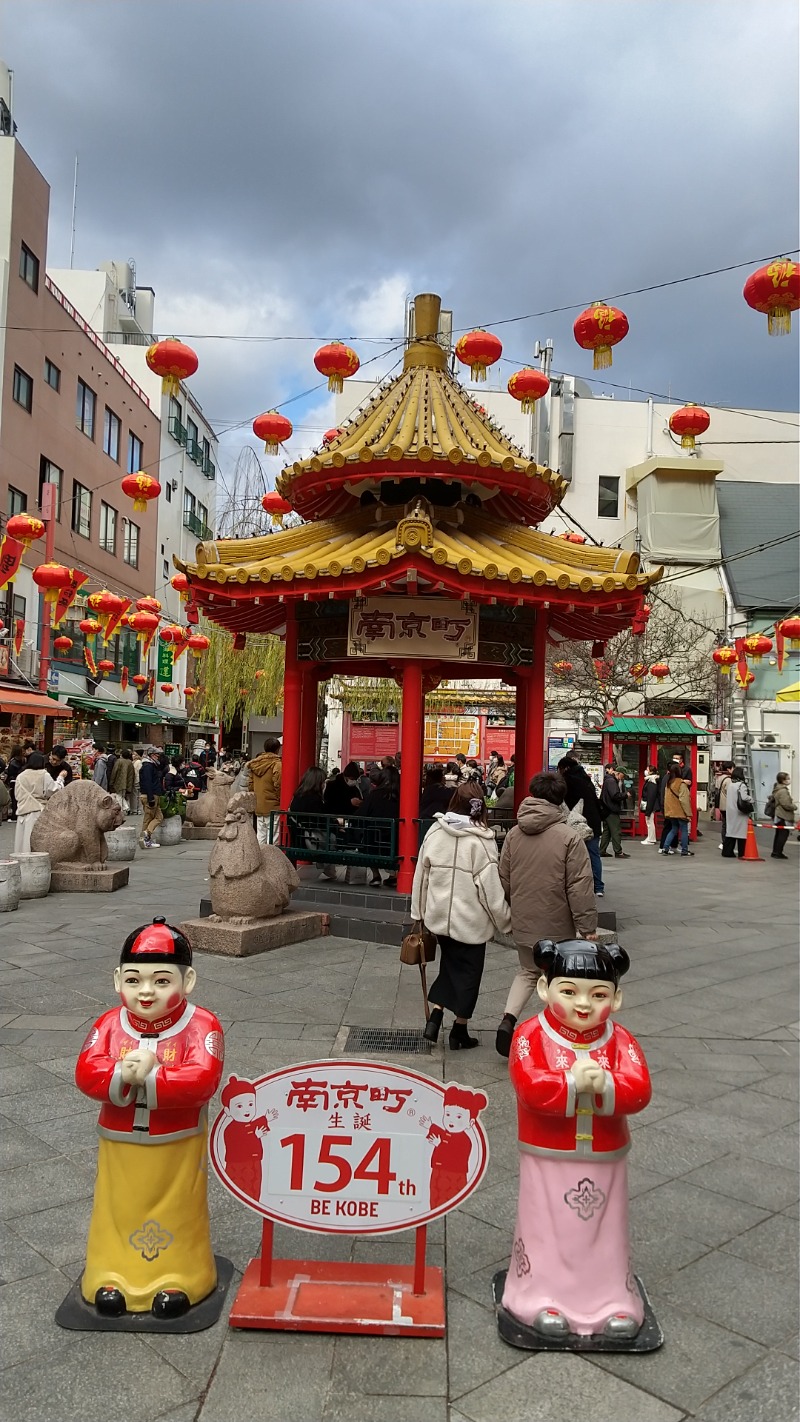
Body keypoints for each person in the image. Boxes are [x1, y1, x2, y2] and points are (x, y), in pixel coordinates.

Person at [501, 938, 651, 1340]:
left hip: (604, 1154)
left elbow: (639, 1087)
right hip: (548, 1154)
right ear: (544, 989)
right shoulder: (531, 1035)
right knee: (545, 1225)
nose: (583, 1004)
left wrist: (605, 1082)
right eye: (569, 991)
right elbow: (529, 1083)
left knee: (605, 1231)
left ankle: (612, 1300)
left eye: (598, 994)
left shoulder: (620, 1041)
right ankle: (538, 1296)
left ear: (616, 999)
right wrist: (570, 1081)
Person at [74, 916, 224, 1317]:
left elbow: (204, 1077)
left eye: (161, 981)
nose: (145, 992)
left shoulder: (202, 1025)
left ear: (187, 981)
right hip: (120, 1140)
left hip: (175, 1142)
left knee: (177, 1206)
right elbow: (87, 1070)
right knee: (116, 1207)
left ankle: (180, 1277)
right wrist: (121, 1073)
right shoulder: (108, 1024)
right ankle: (110, 1275)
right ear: (118, 979)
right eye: (135, 980)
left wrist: (155, 1074)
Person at [495, 771, 597, 1058]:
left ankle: (508, 1019)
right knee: (558, 979)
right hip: (557, 924)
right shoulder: (569, 837)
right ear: (560, 799)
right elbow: (579, 886)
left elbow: (504, 878)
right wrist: (587, 925)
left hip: (524, 920)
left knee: (527, 972)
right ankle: (554, 1037)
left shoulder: (515, 834)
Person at [411, 781, 511, 1050]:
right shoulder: (482, 843)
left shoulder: (435, 832)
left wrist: (418, 912)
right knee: (469, 975)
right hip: (471, 921)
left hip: (439, 916)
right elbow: (490, 891)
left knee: (450, 966)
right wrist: (504, 920)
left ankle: (435, 1016)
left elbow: (421, 876)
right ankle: (459, 1030)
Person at [558, 753, 605, 897]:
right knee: (593, 854)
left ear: (564, 768)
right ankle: (598, 887)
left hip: (576, 823)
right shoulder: (585, 778)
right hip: (594, 823)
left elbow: (564, 803)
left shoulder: (567, 781)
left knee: (572, 856)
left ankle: (577, 885)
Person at [360, 767, 400, 887]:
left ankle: (376, 875)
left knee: (369, 837)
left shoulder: (375, 794)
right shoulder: (402, 795)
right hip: (395, 837)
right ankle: (393, 875)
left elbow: (362, 813)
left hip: (374, 837)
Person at [13, 751, 58, 853]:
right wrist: (60, 779)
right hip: (37, 811)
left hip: (22, 811)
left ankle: (22, 862)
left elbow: (17, 795)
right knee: (36, 842)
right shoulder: (43, 774)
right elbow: (53, 790)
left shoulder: (20, 776)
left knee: (22, 841)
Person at [246, 736, 282, 844]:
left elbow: (250, 785)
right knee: (273, 838)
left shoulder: (255, 764)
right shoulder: (277, 764)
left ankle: (260, 858)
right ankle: (270, 860)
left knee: (260, 835)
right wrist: (279, 798)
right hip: (273, 805)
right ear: (277, 749)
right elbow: (278, 784)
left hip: (259, 804)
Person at [660, 763, 693, 857]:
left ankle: (665, 848)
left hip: (671, 811)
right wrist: (688, 813)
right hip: (680, 811)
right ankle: (684, 850)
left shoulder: (669, 783)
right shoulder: (681, 783)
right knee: (684, 830)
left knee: (673, 829)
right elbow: (684, 800)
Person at [599, 764, 629, 858]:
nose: (622, 778)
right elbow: (615, 795)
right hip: (611, 810)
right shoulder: (612, 781)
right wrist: (625, 795)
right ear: (618, 773)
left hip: (606, 809)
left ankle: (602, 850)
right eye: (622, 776)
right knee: (616, 831)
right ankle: (618, 851)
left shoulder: (608, 780)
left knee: (607, 832)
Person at [721, 766, 752, 858]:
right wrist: (751, 799)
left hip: (730, 810)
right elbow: (744, 797)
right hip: (740, 812)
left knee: (730, 832)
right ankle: (742, 852)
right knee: (741, 833)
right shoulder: (741, 785)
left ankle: (727, 851)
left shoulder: (731, 784)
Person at [138, 746, 165, 849]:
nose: (158, 758)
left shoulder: (150, 765)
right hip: (150, 794)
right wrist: (151, 798)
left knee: (155, 817)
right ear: (152, 755)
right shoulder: (148, 766)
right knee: (151, 818)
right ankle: (146, 836)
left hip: (152, 794)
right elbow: (148, 782)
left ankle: (145, 837)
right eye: (157, 755)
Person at [769, 772, 797, 860]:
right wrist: (794, 807)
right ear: (783, 780)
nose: (789, 780)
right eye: (787, 778)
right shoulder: (783, 791)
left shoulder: (777, 789)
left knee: (778, 834)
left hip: (778, 815)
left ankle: (775, 851)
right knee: (783, 834)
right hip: (783, 815)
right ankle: (778, 852)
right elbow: (786, 804)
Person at [639, 764, 661, 845]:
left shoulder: (652, 781)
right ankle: (650, 837)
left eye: (647, 769)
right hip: (651, 804)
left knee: (649, 821)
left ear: (651, 771)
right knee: (649, 821)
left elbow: (651, 796)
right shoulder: (651, 780)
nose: (646, 771)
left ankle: (651, 839)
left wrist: (649, 809)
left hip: (651, 804)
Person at [714, 762, 734, 847]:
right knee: (728, 825)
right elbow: (730, 792)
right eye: (733, 768)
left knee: (724, 824)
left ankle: (724, 842)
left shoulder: (719, 778)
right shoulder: (728, 779)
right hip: (727, 804)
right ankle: (726, 843)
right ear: (729, 769)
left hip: (721, 804)